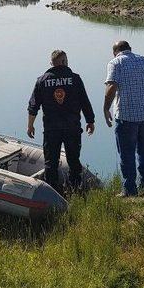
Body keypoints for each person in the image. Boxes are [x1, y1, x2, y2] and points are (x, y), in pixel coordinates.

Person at [27, 49, 95, 194]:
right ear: (64, 61)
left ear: (51, 63)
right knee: (74, 161)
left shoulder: (42, 80)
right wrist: (90, 120)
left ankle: (52, 192)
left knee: (51, 162)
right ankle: (75, 191)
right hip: (72, 127)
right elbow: (84, 101)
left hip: (52, 129)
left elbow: (33, 106)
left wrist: (30, 125)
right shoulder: (75, 79)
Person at [103, 41, 144, 197]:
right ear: (130, 49)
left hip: (126, 116)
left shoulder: (115, 62)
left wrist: (105, 108)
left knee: (126, 153)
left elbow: (111, 87)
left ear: (115, 51)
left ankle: (130, 190)